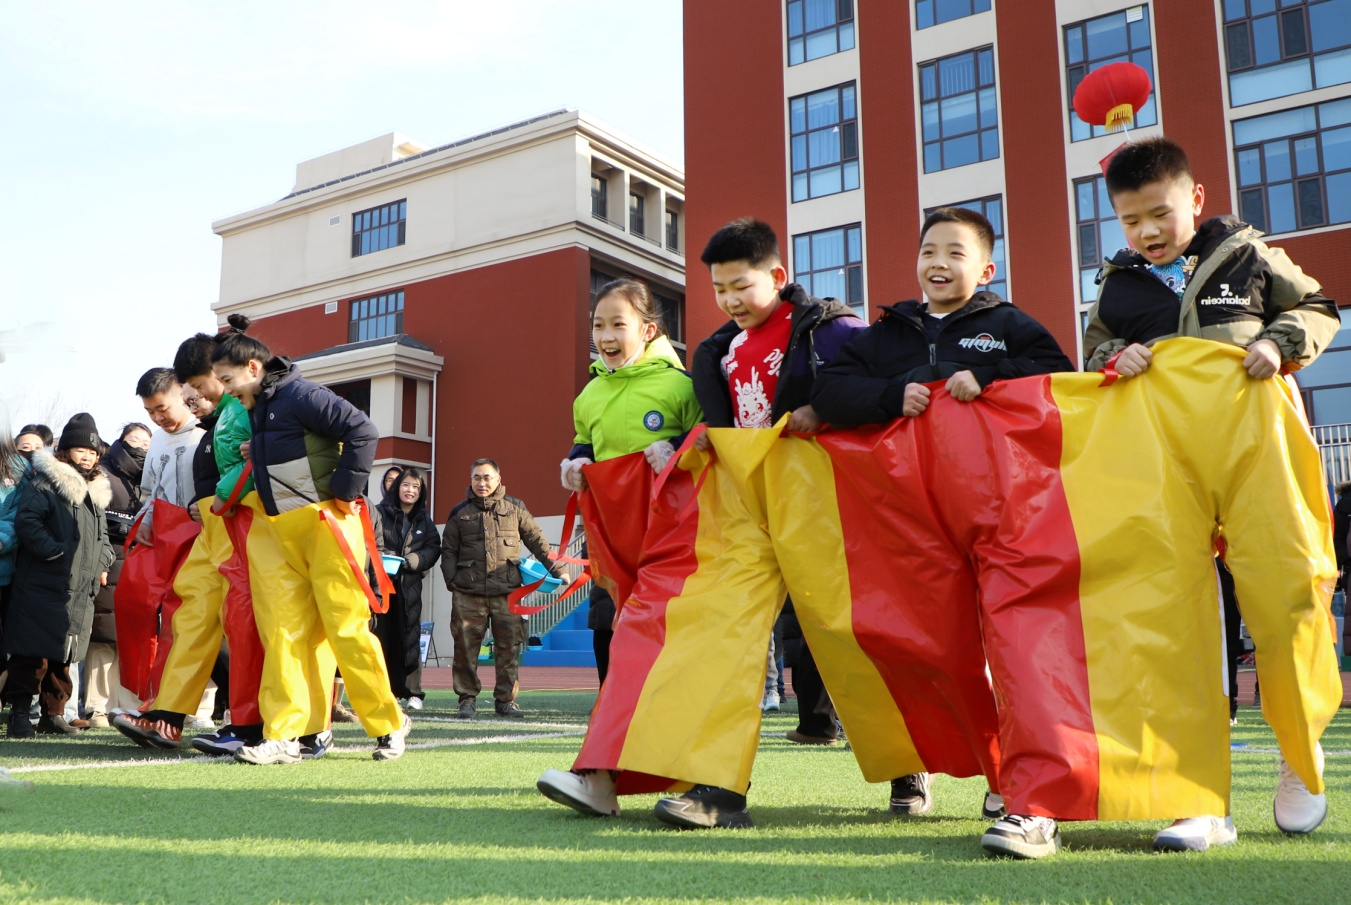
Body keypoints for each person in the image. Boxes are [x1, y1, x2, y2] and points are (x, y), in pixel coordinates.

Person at [1076, 136, 1340, 855]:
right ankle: (1196, 797)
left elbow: (1320, 306)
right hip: (1165, 473)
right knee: (1176, 622)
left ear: (1193, 199)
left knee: (1287, 601)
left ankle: (1300, 759)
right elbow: (1093, 349)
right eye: (1130, 221)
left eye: (1158, 213)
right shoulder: (1118, 284)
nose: (1147, 232)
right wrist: (1111, 358)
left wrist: (1280, 340)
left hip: (1257, 458)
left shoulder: (1248, 254)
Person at [812, 205, 1074, 849]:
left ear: (985, 268)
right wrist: (895, 391)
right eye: (930, 249)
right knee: (924, 644)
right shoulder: (886, 334)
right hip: (908, 518)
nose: (939, 262)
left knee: (1010, 645)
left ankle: (1008, 774)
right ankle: (917, 766)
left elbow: (1062, 377)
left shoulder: (1009, 325)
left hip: (1001, 510)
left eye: (956, 253)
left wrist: (986, 376)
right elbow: (830, 395)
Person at [660, 217, 864, 828]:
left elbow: (873, 388)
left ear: (778, 276)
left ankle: (908, 770)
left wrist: (818, 409)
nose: (728, 301)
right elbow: (718, 424)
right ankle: (720, 789)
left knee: (855, 634)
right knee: (729, 640)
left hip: (825, 507)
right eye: (719, 289)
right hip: (748, 514)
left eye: (740, 286)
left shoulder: (831, 328)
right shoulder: (717, 351)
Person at [211, 314, 408, 764]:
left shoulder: (303, 393)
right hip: (283, 532)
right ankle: (283, 734)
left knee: (347, 630)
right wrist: (255, 452)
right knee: (282, 633)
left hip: (326, 526)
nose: (225, 390)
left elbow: (364, 430)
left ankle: (389, 724)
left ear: (254, 369)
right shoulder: (258, 406)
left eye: (227, 380)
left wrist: (345, 493)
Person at [3, 413, 114, 738]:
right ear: (65, 450)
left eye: (93, 451)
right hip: (42, 585)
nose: (88, 455)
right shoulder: (45, 483)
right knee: (31, 655)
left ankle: (53, 715)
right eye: (81, 449)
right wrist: (55, 553)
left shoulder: (95, 493)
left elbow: (104, 539)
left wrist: (101, 561)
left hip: (80, 589)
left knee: (64, 656)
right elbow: (28, 522)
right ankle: (20, 715)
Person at [441, 458, 569, 720]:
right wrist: (452, 582)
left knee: (509, 648)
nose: (482, 482)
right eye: (477, 477)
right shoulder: (459, 512)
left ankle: (506, 701)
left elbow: (538, 542)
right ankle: (466, 700)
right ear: (471, 480)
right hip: (468, 593)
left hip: (508, 593)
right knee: (465, 649)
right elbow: (449, 552)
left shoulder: (515, 507)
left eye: (487, 477)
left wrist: (559, 571)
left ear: (498, 479)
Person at [83, 423, 150, 727]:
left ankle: (130, 706)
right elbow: (95, 522)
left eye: (146, 443)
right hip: (110, 561)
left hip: (143, 564)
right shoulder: (103, 474)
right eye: (133, 440)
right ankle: (97, 707)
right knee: (103, 636)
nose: (140, 447)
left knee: (134, 637)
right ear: (121, 441)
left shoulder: (151, 476)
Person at [375, 467, 441, 710]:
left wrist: (416, 561)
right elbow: (368, 542)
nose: (410, 490)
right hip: (381, 588)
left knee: (410, 638)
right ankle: (385, 692)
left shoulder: (424, 519)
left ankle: (413, 693)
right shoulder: (379, 513)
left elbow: (434, 547)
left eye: (416, 486)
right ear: (396, 487)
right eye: (406, 485)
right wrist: (384, 557)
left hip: (410, 587)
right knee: (382, 638)